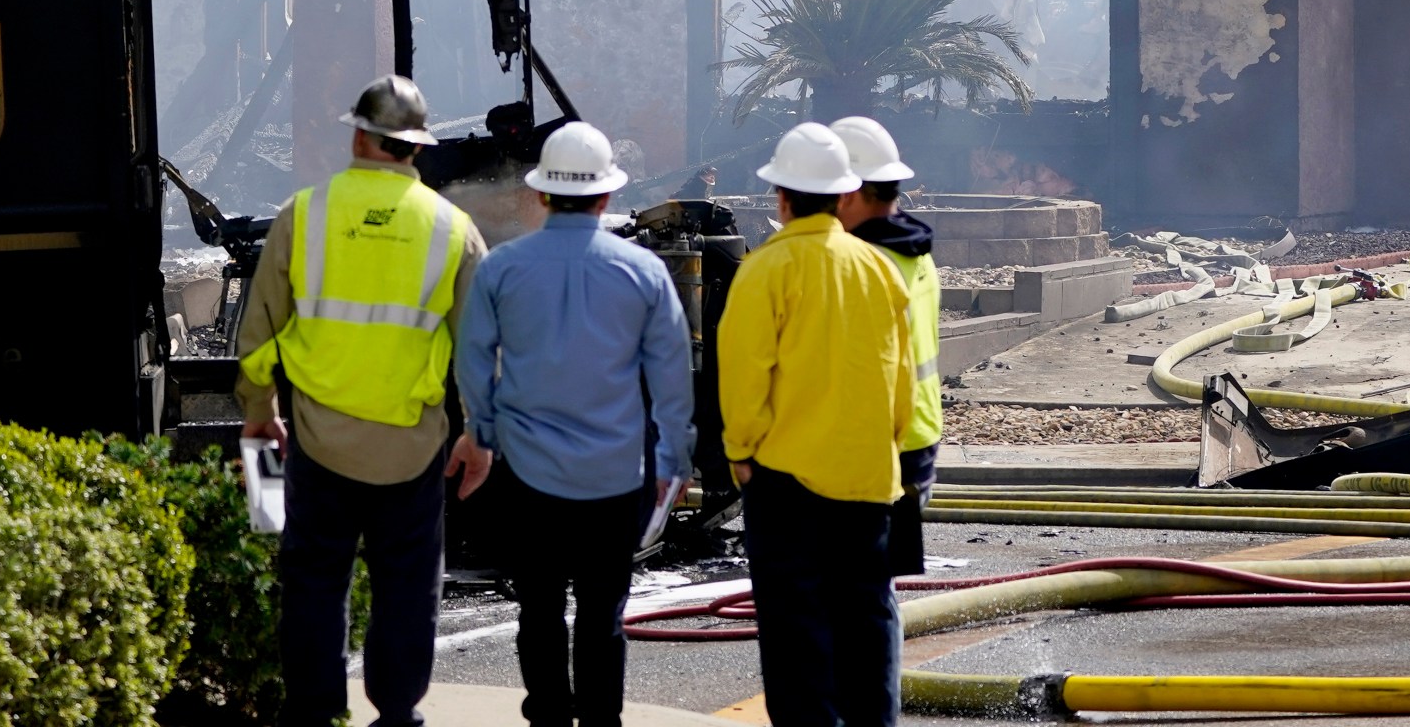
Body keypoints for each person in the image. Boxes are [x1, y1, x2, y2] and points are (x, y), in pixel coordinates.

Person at [238, 74, 490, 727]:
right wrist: (477, 434)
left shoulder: (304, 214)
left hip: (319, 443)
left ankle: (316, 712)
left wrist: (259, 412)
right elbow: (480, 350)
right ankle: (397, 712)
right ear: (416, 146)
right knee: (407, 587)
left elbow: (259, 328)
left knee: (315, 583)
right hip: (411, 448)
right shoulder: (452, 229)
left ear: (359, 135)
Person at [452, 122, 694, 727]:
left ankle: (550, 718)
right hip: (613, 478)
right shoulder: (643, 272)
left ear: (540, 195)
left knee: (538, 609)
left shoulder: (502, 269)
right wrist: (673, 462)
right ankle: (601, 721)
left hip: (528, 476)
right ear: (606, 195)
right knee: (602, 614)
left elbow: (473, 362)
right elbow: (671, 380)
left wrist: (480, 435)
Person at [717, 123, 916, 727]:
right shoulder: (880, 269)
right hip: (867, 479)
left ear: (781, 196)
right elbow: (902, 382)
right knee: (867, 624)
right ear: (841, 195)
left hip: (786, 482)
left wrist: (740, 452)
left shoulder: (765, 270)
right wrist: (888, 448)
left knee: (796, 633)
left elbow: (744, 375)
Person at [827, 116, 941, 577]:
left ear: (850, 193)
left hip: (875, 442)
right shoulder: (916, 250)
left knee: (857, 590)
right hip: (918, 433)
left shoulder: (862, 262)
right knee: (881, 590)